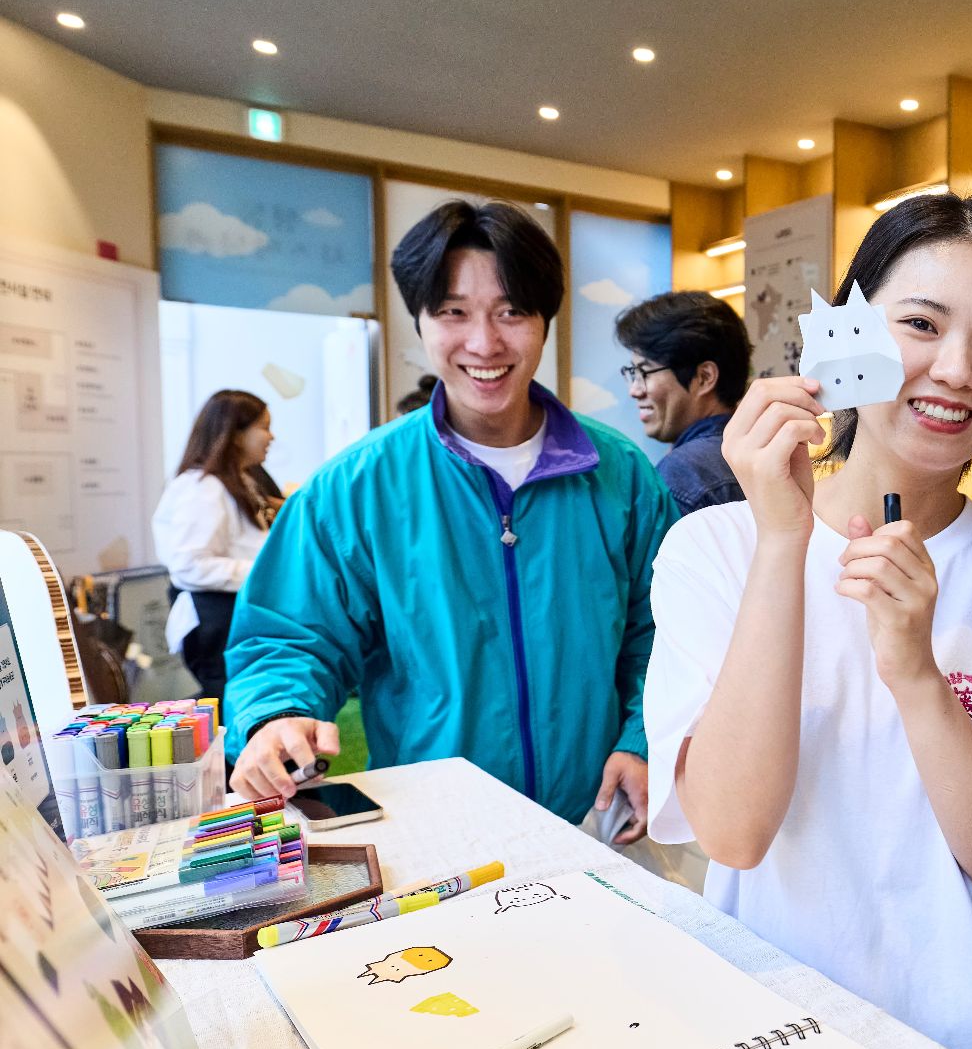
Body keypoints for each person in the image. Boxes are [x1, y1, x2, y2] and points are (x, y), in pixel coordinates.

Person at [644, 194, 972, 1049]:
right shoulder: (715, 550)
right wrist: (783, 542)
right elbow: (732, 832)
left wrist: (917, 674)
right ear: (847, 332)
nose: (954, 370)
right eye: (921, 325)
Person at [224, 200, 675, 840]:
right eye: (453, 312)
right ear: (420, 321)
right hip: (430, 826)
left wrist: (642, 740)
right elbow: (290, 635)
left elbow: (664, 632)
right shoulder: (355, 489)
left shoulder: (621, 475)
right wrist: (278, 714)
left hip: (595, 818)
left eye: (512, 311)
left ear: (545, 320)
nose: (484, 343)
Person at [151, 389, 275, 704]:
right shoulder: (203, 488)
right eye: (264, 427)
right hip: (217, 622)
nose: (271, 437)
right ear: (236, 435)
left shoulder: (238, 482)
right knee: (232, 709)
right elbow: (190, 565)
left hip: (235, 616)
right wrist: (266, 573)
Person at [617, 290, 748, 515]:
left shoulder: (683, 473)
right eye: (633, 373)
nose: (634, 391)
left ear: (704, 377)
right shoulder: (759, 455)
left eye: (644, 372)